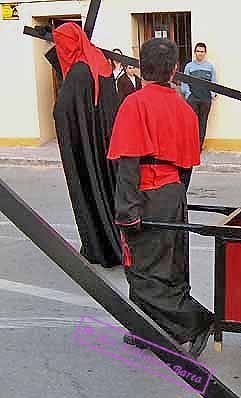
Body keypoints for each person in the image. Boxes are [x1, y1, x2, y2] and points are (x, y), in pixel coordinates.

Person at [108, 38, 214, 355]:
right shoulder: (184, 107)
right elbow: (187, 166)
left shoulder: (135, 104)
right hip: (174, 192)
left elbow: (127, 162)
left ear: (143, 68)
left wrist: (127, 210)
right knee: (171, 266)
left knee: (141, 271)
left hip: (147, 192)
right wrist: (177, 195)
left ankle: (196, 321)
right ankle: (147, 329)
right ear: (175, 69)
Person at [52, 22, 122, 268]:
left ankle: (99, 247)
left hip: (87, 147)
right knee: (109, 191)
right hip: (106, 143)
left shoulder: (79, 71)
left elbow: (62, 112)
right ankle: (117, 245)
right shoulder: (101, 62)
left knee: (91, 191)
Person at [181, 42, 217, 152]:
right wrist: (188, 94)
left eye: (202, 51)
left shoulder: (210, 67)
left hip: (205, 98)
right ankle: (192, 145)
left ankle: (199, 146)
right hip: (193, 98)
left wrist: (211, 94)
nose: (200, 53)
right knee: (192, 123)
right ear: (194, 52)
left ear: (205, 53)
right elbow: (184, 82)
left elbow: (213, 81)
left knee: (203, 122)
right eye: (198, 51)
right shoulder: (189, 66)